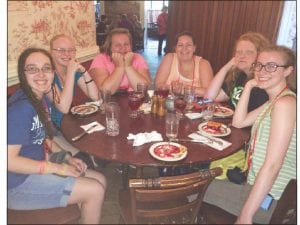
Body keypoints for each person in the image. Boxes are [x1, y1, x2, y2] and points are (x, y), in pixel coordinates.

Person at [8, 48, 107, 224]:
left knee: (100, 178)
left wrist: (67, 158)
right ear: (23, 74)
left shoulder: (40, 98)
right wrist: (58, 168)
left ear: (52, 72)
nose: (41, 74)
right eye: (32, 69)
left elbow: (44, 139)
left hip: (35, 170)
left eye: (46, 68)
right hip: (15, 185)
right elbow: (8, 161)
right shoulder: (21, 109)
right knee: (95, 189)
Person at [204, 45, 296, 224]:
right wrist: (249, 85)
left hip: (272, 200)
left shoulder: (285, 104)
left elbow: (273, 165)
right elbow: (239, 123)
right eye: (259, 65)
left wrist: (246, 215)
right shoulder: (275, 100)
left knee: (191, 189)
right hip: (257, 188)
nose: (262, 71)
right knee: (197, 182)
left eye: (271, 66)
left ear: (288, 71)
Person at [49, 34, 99, 167]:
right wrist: (71, 73)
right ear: (51, 53)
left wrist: (84, 71)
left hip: (73, 121)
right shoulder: (47, 76)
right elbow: (63, 108)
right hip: (55, 129)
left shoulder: (72, 71)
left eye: (71, 50)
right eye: (61, 50)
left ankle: (94, 157)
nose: (67, 54)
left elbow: (95, 96)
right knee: (87, 161)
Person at [204, 32, 270, 111]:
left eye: (248, 52)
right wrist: (226, 67)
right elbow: (209, 98)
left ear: (260, 55)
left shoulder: (262, 83)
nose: (241, 56)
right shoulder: (239, 76)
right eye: (238, 52)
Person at [89, 28, 151, 94]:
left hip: (134, 102)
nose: (123, 48)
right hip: (108, 103)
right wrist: (119, 67)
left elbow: (143, 89)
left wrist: (128, 66)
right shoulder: (100, 59)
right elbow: (105, 92)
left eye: (126, 44)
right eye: (118, 45)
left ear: (131, 46)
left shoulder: (138, 58)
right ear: (110, 47)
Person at [155, 31, 214, 97]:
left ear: (194, 48)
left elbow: (210, 92)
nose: (184, 48)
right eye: (180, 45)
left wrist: (182, 89)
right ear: (175, 48)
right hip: (169, 103)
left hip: (195, 105)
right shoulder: (169, 58)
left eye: (188, 45)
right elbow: (158, 84)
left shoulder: (203, 64)